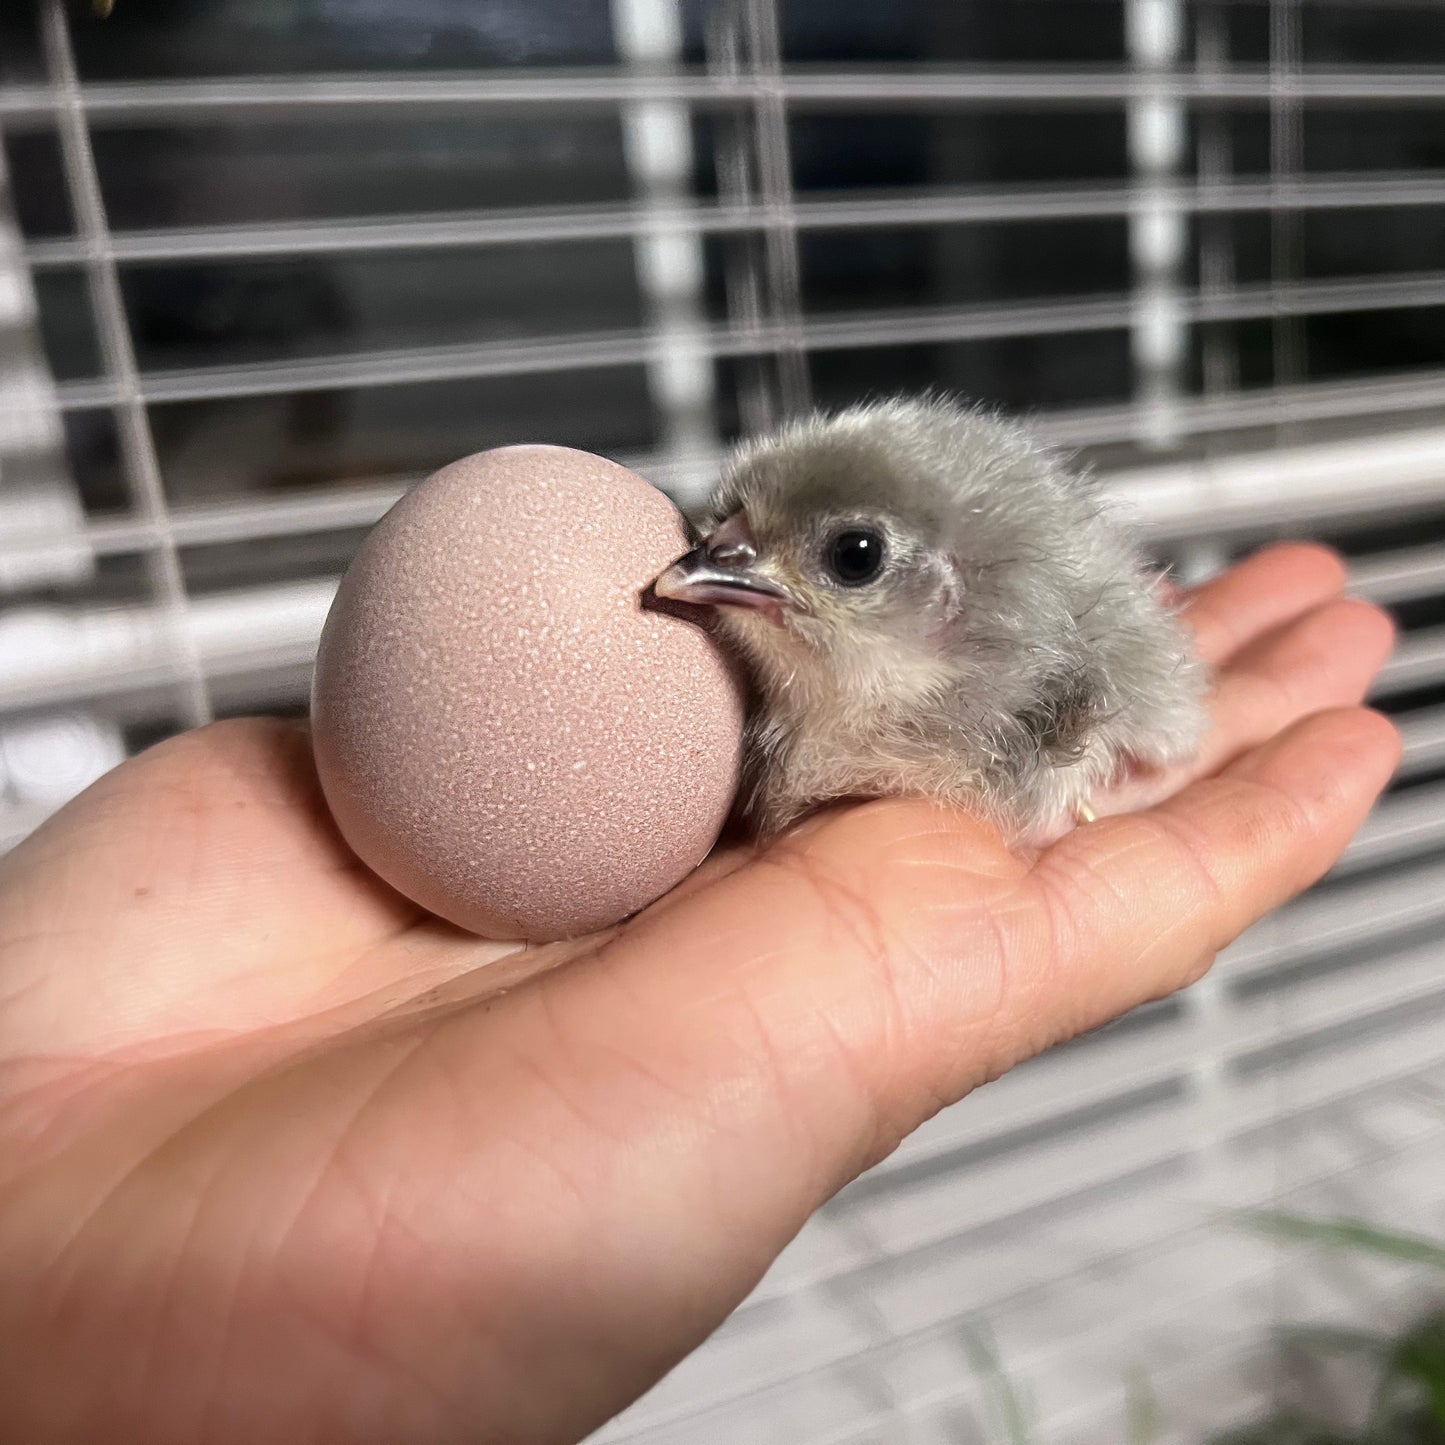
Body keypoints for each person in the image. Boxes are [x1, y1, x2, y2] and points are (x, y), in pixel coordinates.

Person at [0, 544, 1398, 1445]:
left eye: (838, 558)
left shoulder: (972, 674)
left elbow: (1120, 700)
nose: (707, 577)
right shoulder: (771, 706)